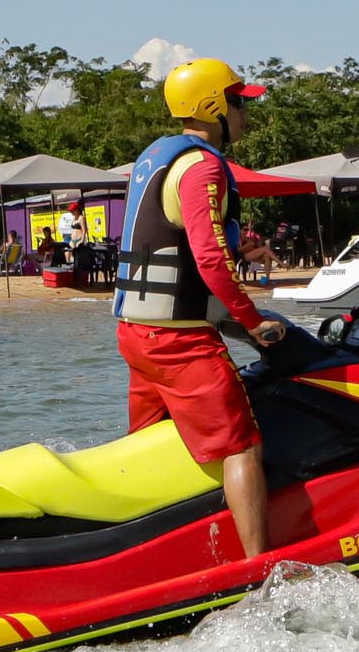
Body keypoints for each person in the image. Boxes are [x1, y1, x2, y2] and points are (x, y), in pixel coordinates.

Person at [116, 56, 285, 562]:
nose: (244, 116)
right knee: (242, 445)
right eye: (237, 104)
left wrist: (244, 255)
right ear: (213, 105)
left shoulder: (156, 157)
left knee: (150, 446)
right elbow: (209, 257)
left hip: (135, 332)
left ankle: (150, 551)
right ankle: (260, 569)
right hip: (179, 340)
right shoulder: (202, 165)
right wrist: (255, 324)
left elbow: (177, 243)